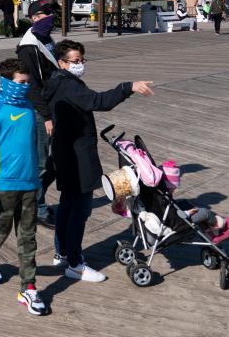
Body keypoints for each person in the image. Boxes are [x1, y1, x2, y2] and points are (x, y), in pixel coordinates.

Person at [43, 39, 154, 282]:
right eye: (75, 61)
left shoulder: (58, 82)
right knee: (79, 211)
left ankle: (62, 253)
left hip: (65, 151)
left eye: (82, 60)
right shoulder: (68, 86)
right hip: (77, 156)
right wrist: (128, 87)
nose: (80, 64)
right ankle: (75, 264)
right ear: (61, 63)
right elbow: (97, 102)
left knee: (67, 206)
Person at [0, 58, 47, 316]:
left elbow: (34, 147)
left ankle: (29, 288)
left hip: (29, 184)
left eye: (28, 82)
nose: (25, 87)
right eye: (20, 82)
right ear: (5, 82)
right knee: (1, 230)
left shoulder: (28, 107)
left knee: (28, 238)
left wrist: (38, 179)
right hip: (2, 185)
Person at [16, 0, 59, 229]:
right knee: (42, 162)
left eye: (51, 13)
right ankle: (36, 209)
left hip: (54, 107)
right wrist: (47, 116)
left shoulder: (46, 39)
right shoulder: (28, 47)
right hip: (41, 111)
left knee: (55, 159)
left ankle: (34, 201)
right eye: (44, 14)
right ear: (33, 18)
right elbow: (32, 87)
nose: (50, 17)